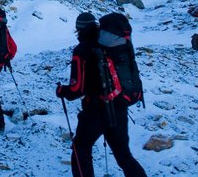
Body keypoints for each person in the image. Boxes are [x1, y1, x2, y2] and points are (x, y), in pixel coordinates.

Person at [56, 12, 146, 177]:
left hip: (95, 111)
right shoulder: (108, 46)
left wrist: (63, 91)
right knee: (123, 155)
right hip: (119, 106)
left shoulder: (82, 50)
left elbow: (77, 90)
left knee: (81, 148)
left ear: (78, 29)